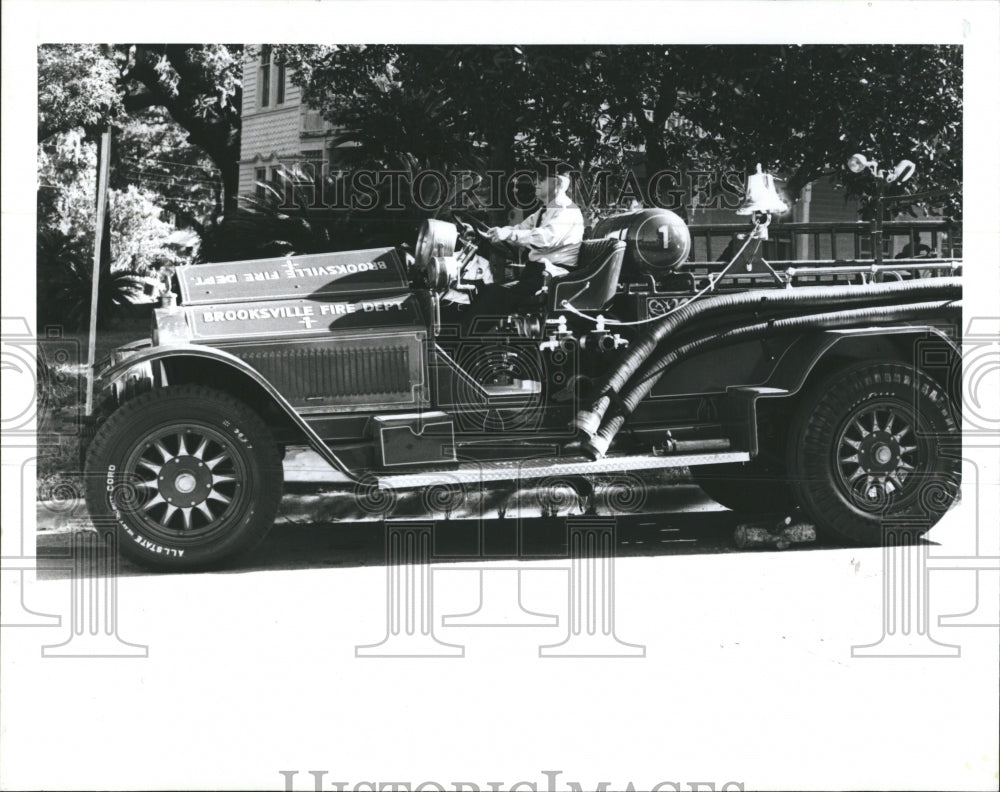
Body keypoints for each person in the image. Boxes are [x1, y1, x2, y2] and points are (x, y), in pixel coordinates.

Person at [460, 172, 584, 333]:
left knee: (494, 294)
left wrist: (509, 235)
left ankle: (462, 341)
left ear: (559, 184)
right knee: (480, 289)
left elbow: (546, 238)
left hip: (552, 277)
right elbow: (520, 229)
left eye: (541, 179)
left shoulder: (567, 210)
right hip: (536, 274)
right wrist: (493, 233)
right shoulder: (545, 211)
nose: (535, 183)